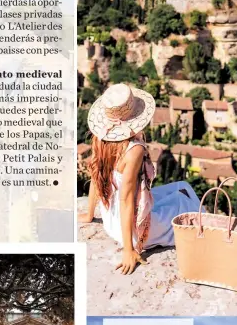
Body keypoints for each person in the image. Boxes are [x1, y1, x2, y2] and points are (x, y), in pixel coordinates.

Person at [80, 83, 199, 274]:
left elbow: (96, 176)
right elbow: (126, 199)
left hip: (111, 218)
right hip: (129, 229)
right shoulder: (134, 149)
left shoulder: (101, 137)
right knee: (184, 204)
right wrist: (129, 250)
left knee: (181, 186)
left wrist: (89, 215)